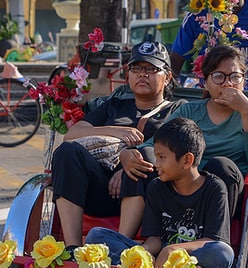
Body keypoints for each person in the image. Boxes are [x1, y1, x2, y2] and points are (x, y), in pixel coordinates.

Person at [51, 41, 181, 249]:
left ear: (167, 77)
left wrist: (126, 160)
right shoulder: (114, 106)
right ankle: (72, 248)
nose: (142, 74)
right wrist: (114, 130)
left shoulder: (177, 109)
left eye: (151, 69)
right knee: (66, 152)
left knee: (142, 156)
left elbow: (177, 149)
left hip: (151, 193)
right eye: (136, 68)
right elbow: (72, 134)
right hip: (103, 189)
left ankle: (120, 247)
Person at [122, 45, 248, 223]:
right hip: (184, 186)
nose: (227, 83)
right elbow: (156, 143)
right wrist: (128, 153)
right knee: (145, 157)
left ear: (244, 80)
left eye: (235, 77)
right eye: (218, 76)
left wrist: (247, 113)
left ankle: (211, 237)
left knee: (220, 165)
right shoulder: (190, 110)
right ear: (206, 83)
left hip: (228, 192)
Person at [86, 118, 235, 268]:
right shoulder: (156, 186)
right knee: (96, 236)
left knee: (223, 252)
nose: (156, 164)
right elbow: (154, 239)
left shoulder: (215, 188)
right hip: (159, 256)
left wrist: (175, 249)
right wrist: (144, 252)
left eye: (162, 157)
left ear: (187, 160)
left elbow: (212, 240)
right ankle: (145, 267)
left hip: (192, 256)